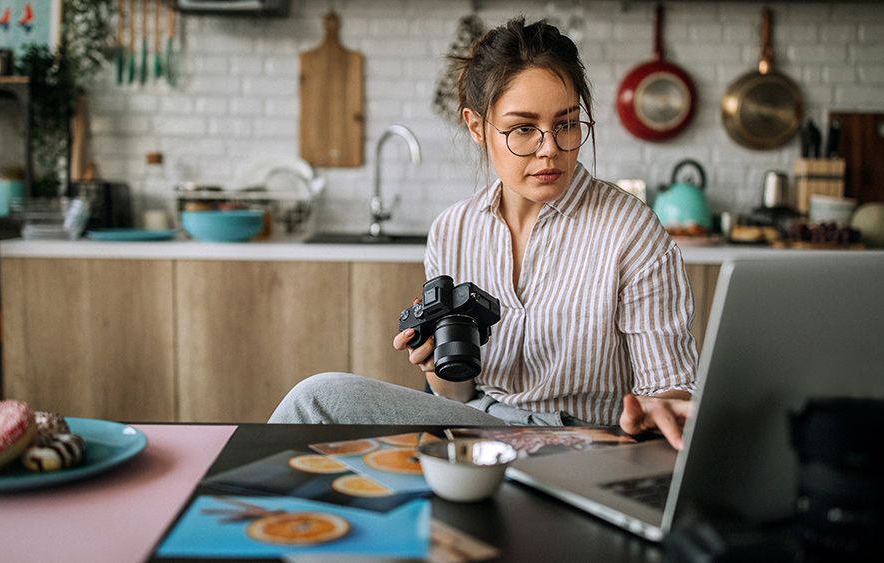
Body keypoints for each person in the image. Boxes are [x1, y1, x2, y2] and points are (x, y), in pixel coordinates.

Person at [270, 18, 695, 449]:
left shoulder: (631, 232)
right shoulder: (453, 230)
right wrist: (436, 366)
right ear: (476, 127)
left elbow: (669, 390)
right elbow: (459, 394)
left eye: (566, 124)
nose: (549, 148)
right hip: (476, 429)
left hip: (584, 440)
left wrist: (661, 406)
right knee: (318, 399)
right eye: (524, 129)